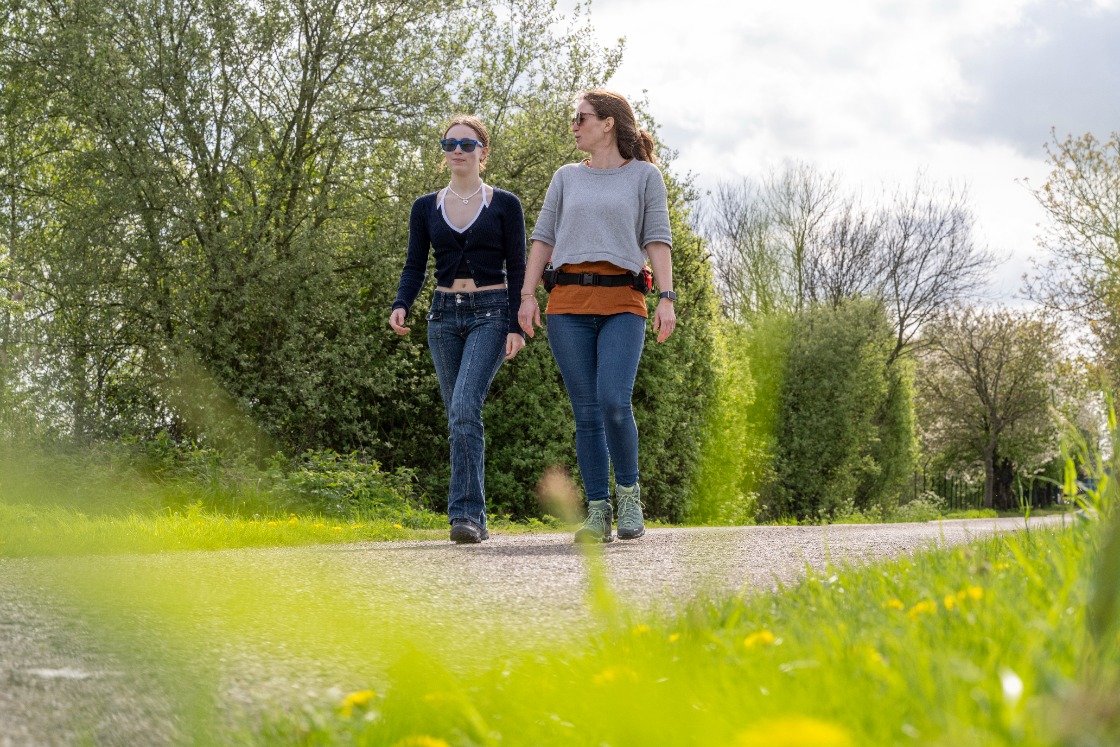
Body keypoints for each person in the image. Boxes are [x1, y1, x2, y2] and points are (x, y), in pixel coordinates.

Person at [518, 90, 676, 543]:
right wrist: (528, 296)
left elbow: (657, 239)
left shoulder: (646, 176)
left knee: (613, 400)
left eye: (580, 117)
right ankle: (598, 511)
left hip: (623, 303)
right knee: (586, 412)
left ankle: (628, 494)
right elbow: (543, 239)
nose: (574, 125)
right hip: (566, 304)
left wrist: (666, 297)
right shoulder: (565, 177)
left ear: (608, 123)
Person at [389, 115, 527, 544]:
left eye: (467, 144)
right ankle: (472, 516)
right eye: (450, 144)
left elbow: (519, 266)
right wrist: (401, 303)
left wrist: (515, 324)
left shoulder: (505, 204)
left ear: (483, 153)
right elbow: (415, 265)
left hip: (490, 311)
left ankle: (465, 516)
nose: (457, 151)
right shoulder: (424, 207)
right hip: (442, 315)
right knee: (458, 416)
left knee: (466, 405)